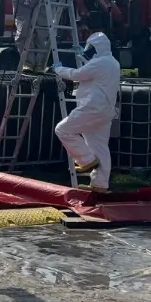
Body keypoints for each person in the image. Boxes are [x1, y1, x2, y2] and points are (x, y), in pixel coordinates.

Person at [53, 32, 120, 192]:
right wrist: (82, 56)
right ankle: (100, 184)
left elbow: (77, 75)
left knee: (62, 130)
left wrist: (58, 69)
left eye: (90, 48)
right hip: (106, 110)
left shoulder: (99, 63)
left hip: (92, 108)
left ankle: (87, 160)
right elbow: (93, 70)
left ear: (97, 48)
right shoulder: (112, 62)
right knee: (100, 146)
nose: (87, 51)